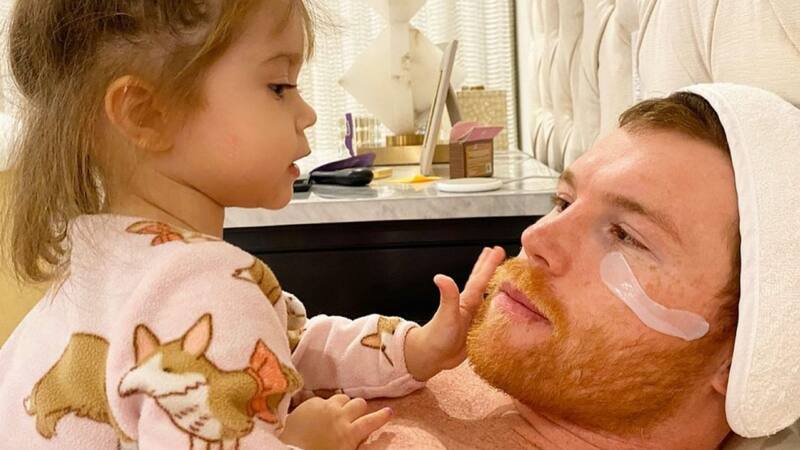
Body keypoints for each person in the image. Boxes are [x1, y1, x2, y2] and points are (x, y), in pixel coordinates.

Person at [0, 1, 505, 449]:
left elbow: (285, 346)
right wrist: (305, 442)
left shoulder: (100, 264)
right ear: (146, 114)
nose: (307, 113)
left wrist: (415, 349)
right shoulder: (201, 287)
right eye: (279, 87)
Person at [361, 86, 800, 449]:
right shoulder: (419, 361)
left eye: (626, 235)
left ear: (738, 359)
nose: (534, 237)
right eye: (563, 202)